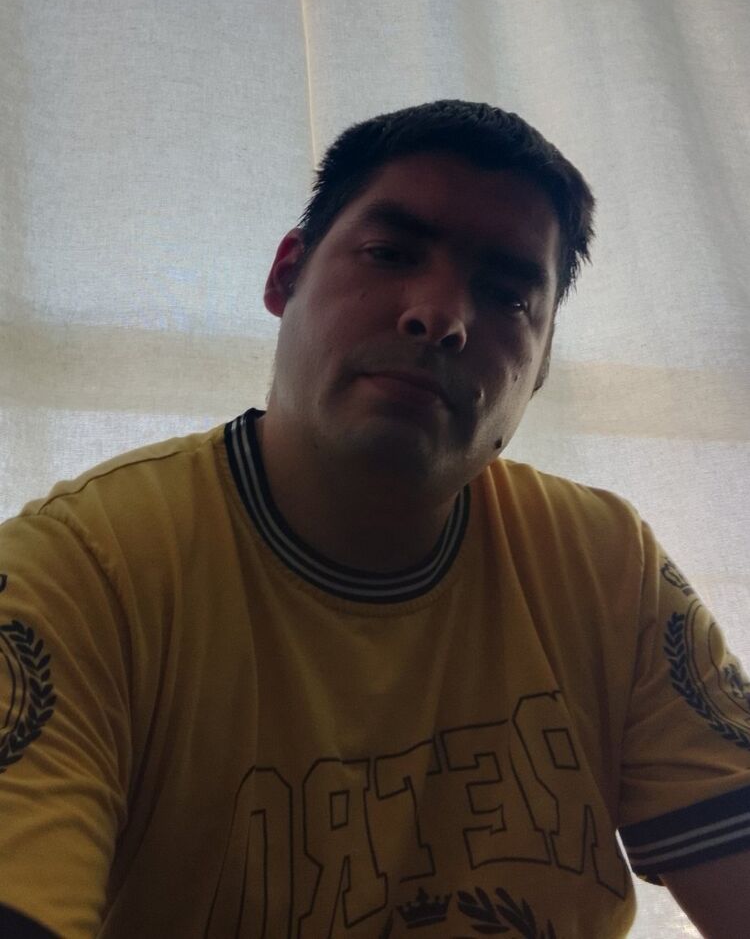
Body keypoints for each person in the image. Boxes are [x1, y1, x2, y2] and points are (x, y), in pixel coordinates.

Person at [0, 99, 748, 939]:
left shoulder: (605, 566)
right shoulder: (77, 573)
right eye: (391, 253)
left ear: (540, 369)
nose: (441, 316)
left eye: (508, 296)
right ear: (286, 274)